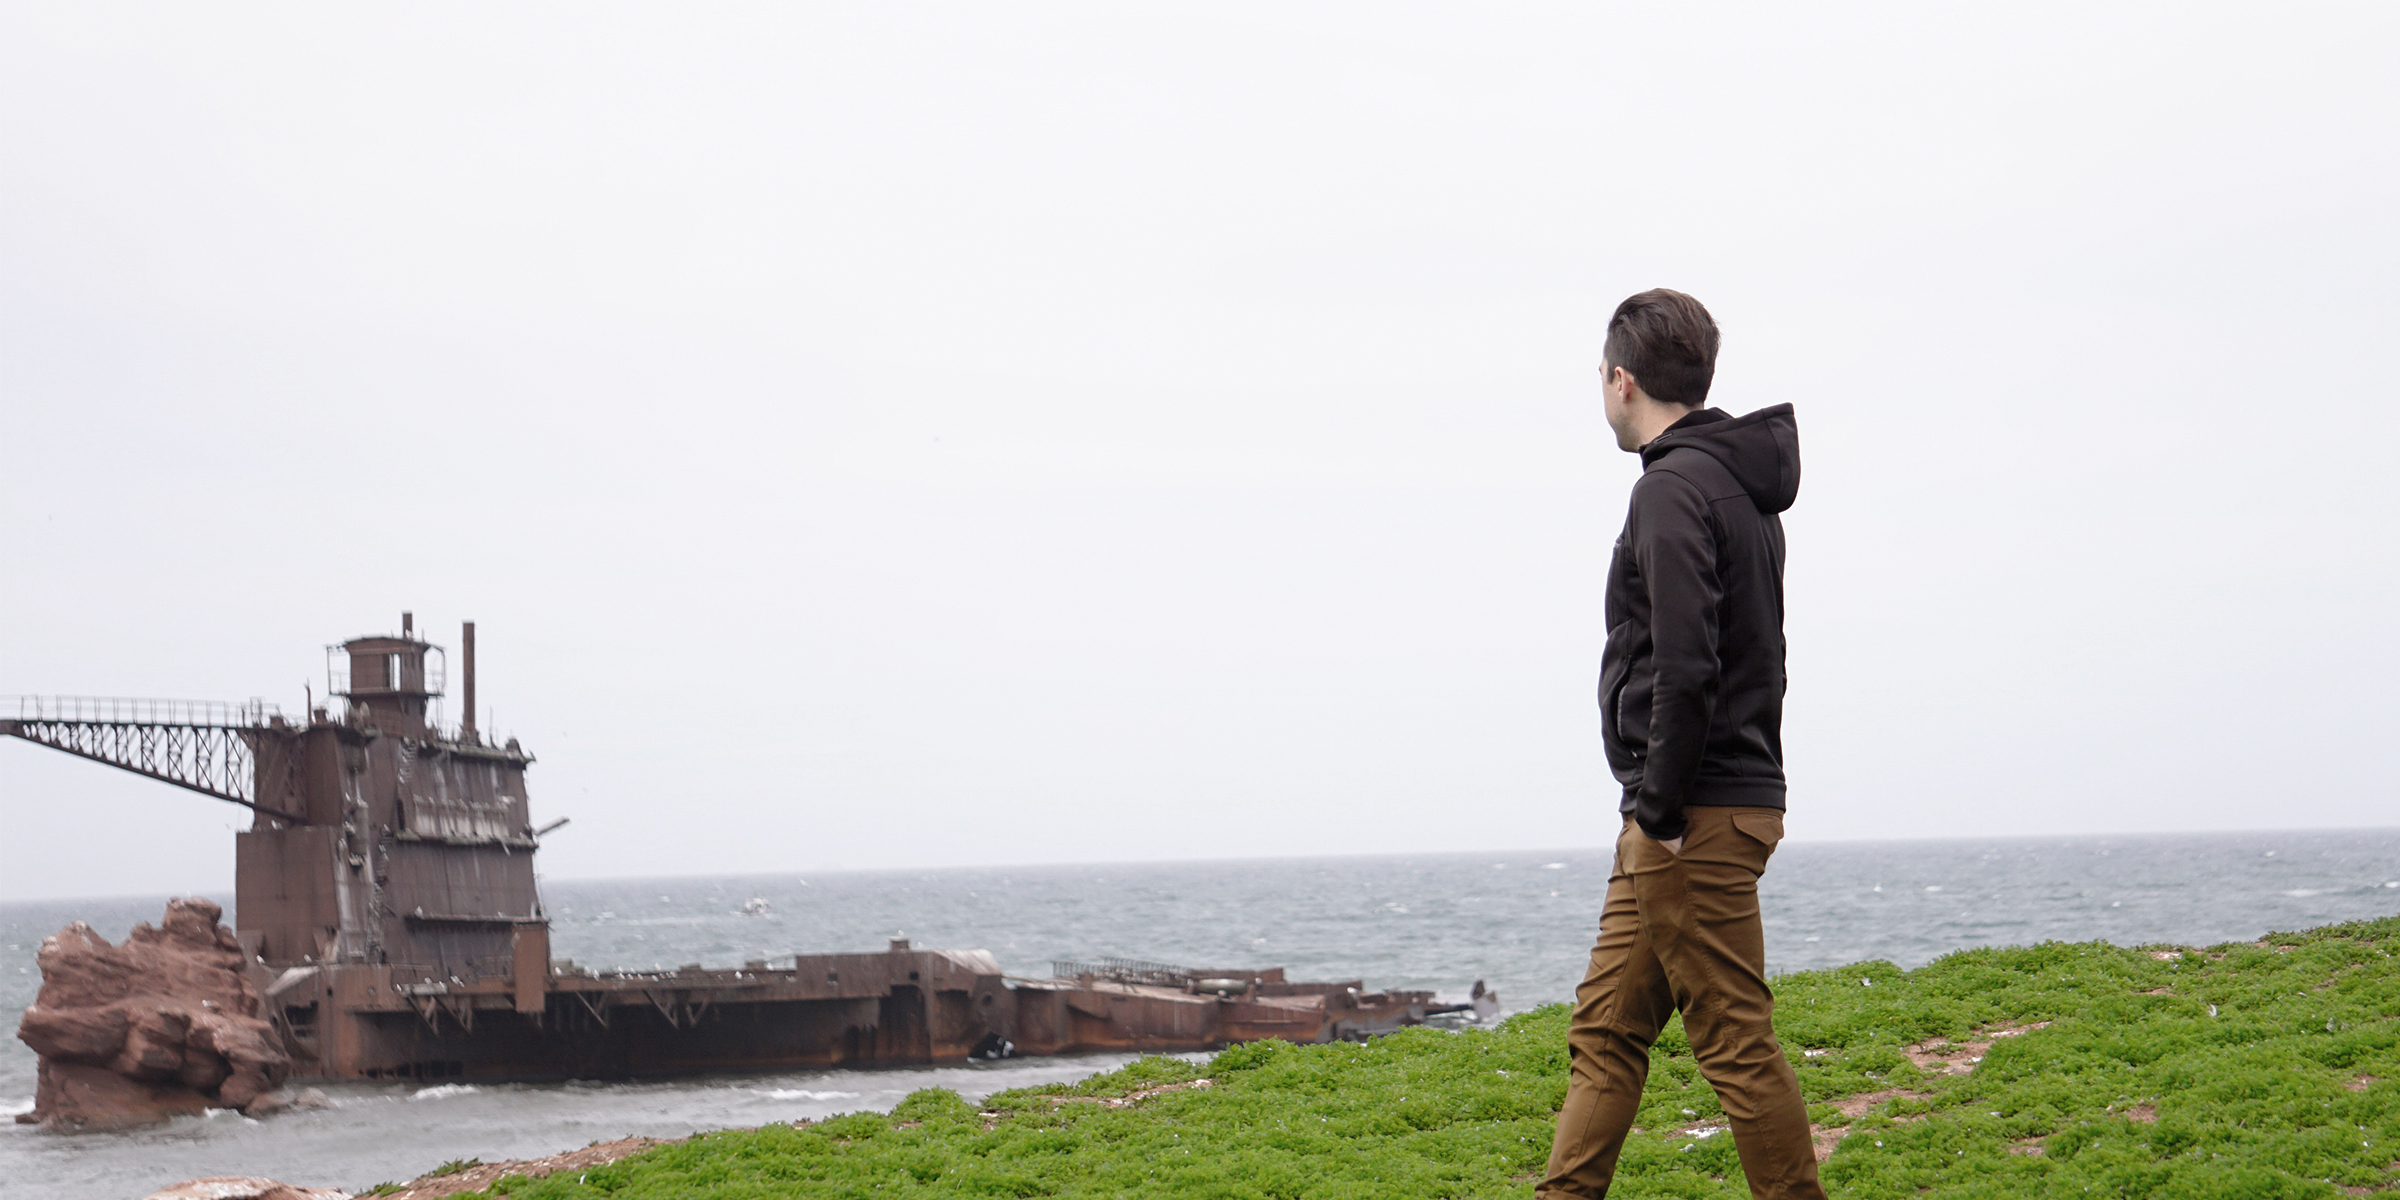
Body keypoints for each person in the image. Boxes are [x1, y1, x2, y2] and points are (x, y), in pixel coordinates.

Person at [1539, 289, 1821, 1199]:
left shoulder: (1670, 488)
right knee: (1608, 1031)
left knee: (1735, 1043)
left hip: (1686, 815)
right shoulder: (1738, 485)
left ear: (1622, 380)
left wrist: (1657, 812)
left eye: (1600, 378)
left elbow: (1688, 665)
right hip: (1708, 805)